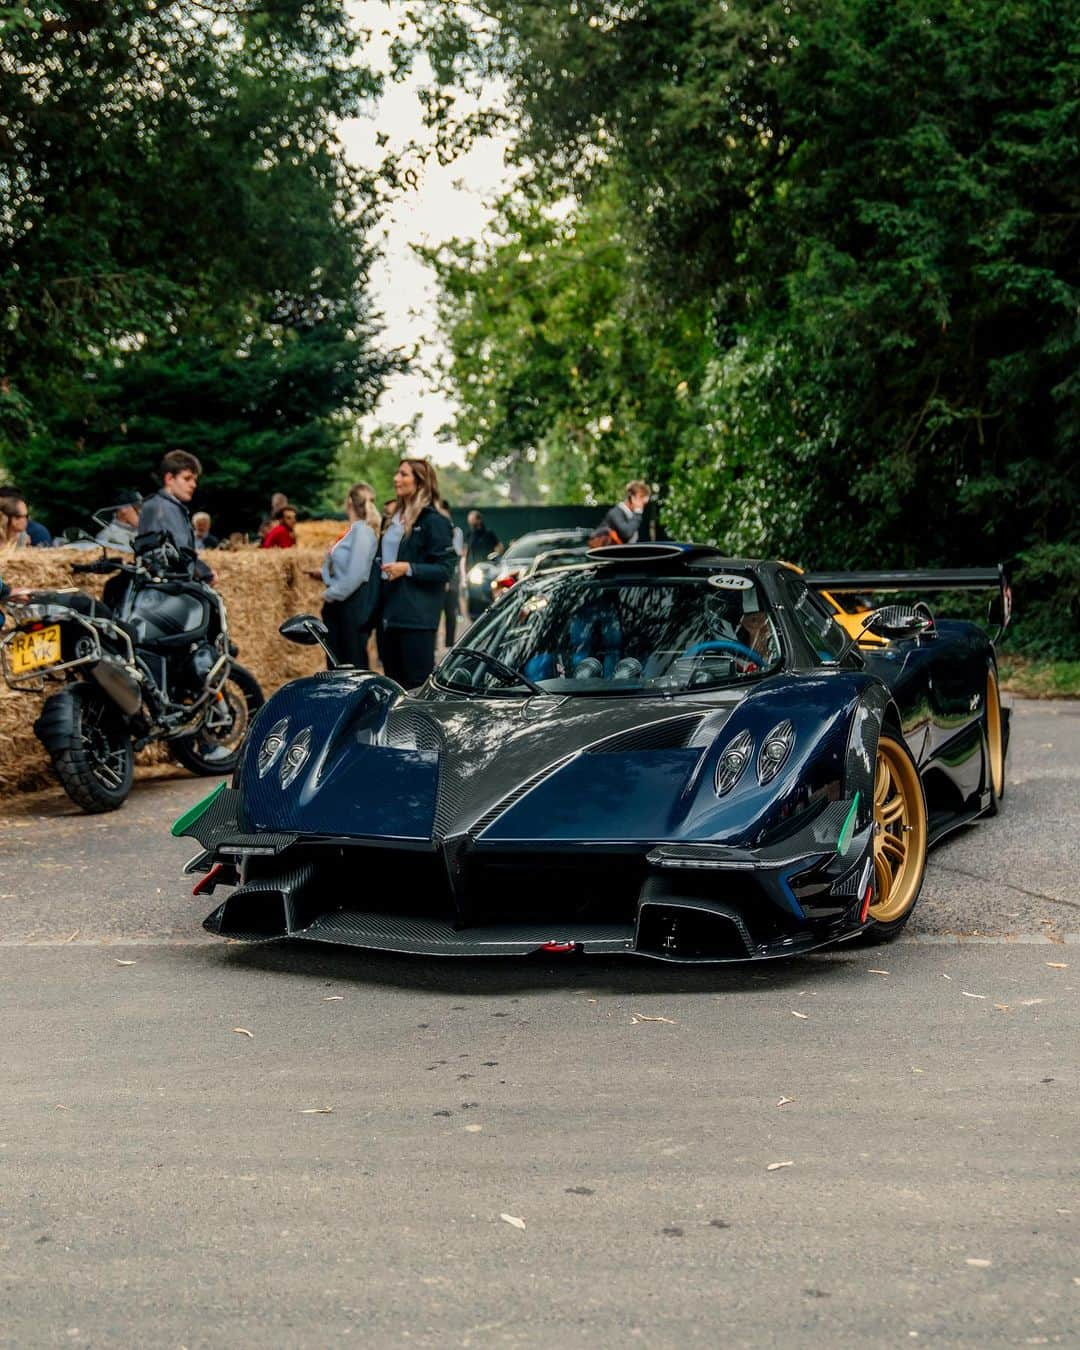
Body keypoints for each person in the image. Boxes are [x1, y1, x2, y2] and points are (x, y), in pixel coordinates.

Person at [379, 459, 456, 688]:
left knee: (415, 688)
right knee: (392, 687)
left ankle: (417, 726)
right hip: (389, 618)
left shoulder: (435, 522)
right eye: (397, 473)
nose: (396, 479)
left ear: (420, 482)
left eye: (403, 474)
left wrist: (408, 568)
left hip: (417, 620)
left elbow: (445, 569)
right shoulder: (391, 520)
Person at [314, 483, 379, 669]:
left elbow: (354, 576)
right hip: (341, 605)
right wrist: (325, 575)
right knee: (339, 663)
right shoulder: (354, 531)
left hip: (350, 606)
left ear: (349, 501)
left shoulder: (362, 532)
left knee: (351, 664)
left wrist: (328, 594)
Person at [137, 450, 214, 582]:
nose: (193, 485)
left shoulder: (157, 504)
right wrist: (206, 572)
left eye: (195, 480)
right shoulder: (165, 508)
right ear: (169, 479)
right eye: (187, 478)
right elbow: (179, 552)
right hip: (169, 588)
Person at [438, 499, 465, 647]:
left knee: (450, 610)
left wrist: (449, 578)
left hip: (451, 574)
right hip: (441, 573)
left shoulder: (455, 531)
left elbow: (457, 553)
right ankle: (435, 644)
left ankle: (449, 643)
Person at [602, 480, 651, 544]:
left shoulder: (632, 514)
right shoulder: (616, 513)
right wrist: (638, 512)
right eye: (641, 497)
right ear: (632, 498)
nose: (644, 502)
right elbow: (627, 533)